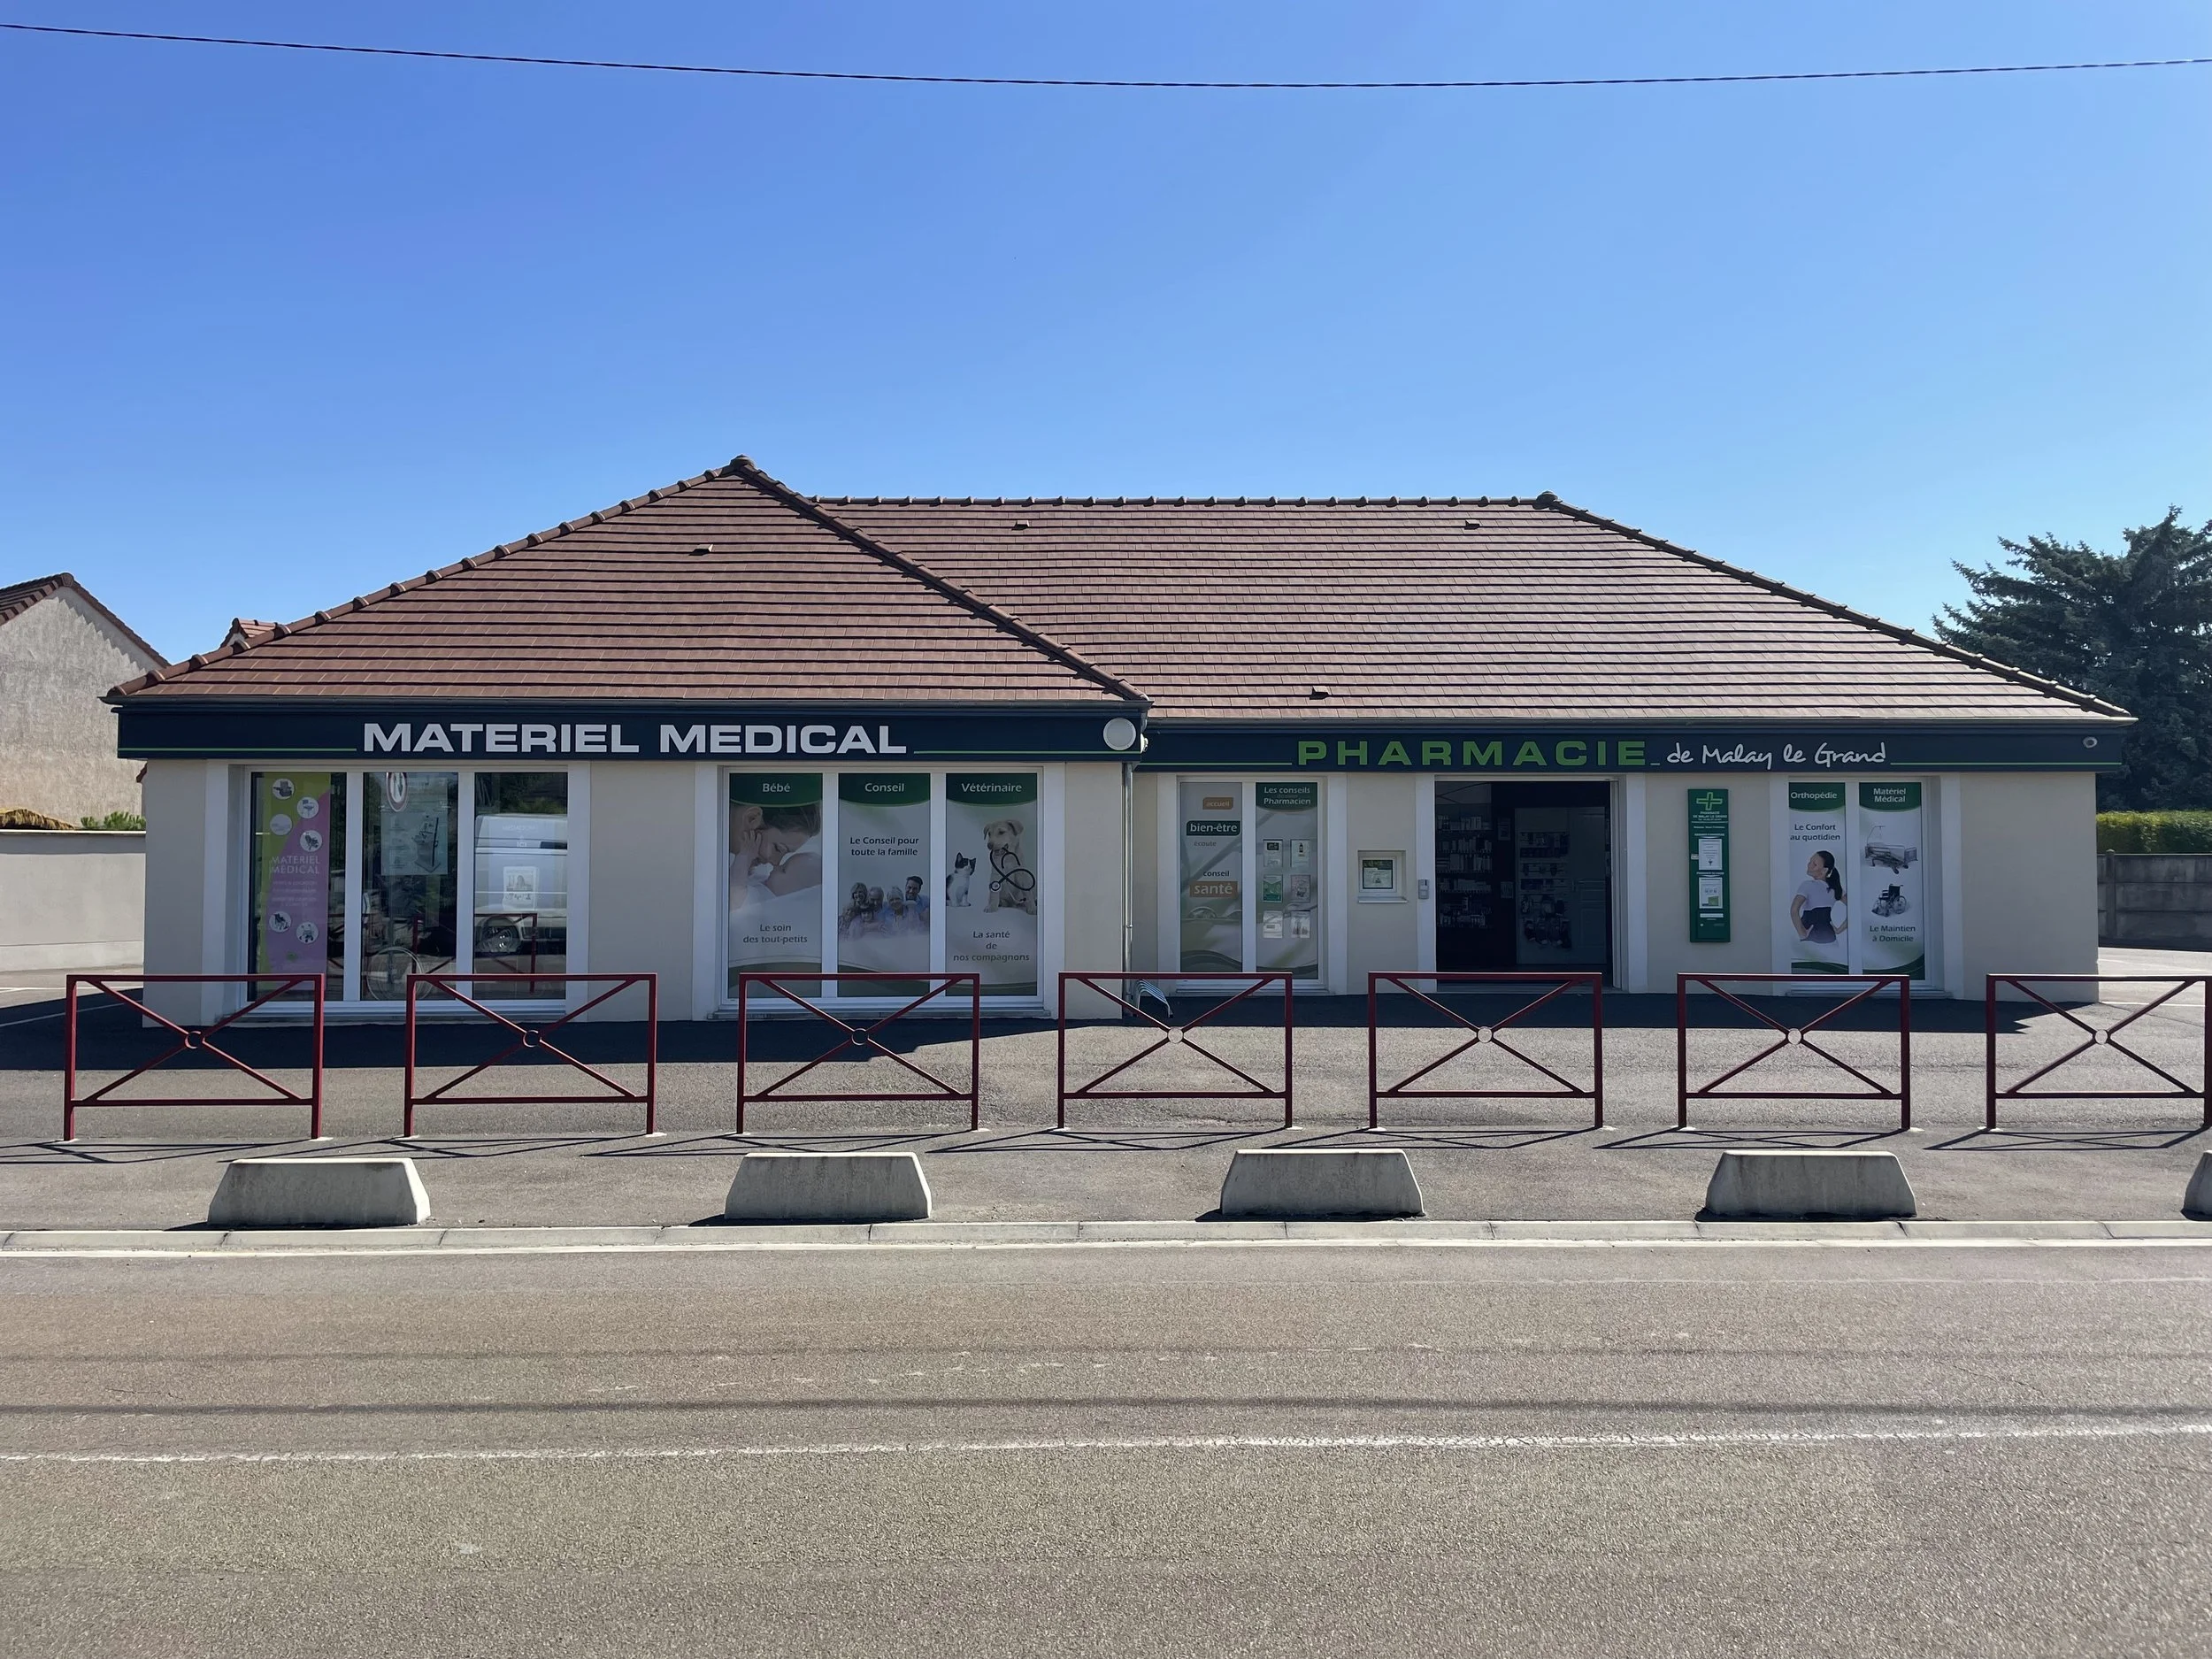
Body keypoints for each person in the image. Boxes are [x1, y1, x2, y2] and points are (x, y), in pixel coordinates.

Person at [1792, 850, 1847, 944]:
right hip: (1831, 939)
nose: (1809, 865)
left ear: (1824, 870)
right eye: (1810, 861)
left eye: (1814, 864)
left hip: (1810, 940)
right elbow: (1854, 909)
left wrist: (1802, 934)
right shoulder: (1835, 888)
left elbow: (1794, 910)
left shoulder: (1807, 885)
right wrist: (1838, 930)